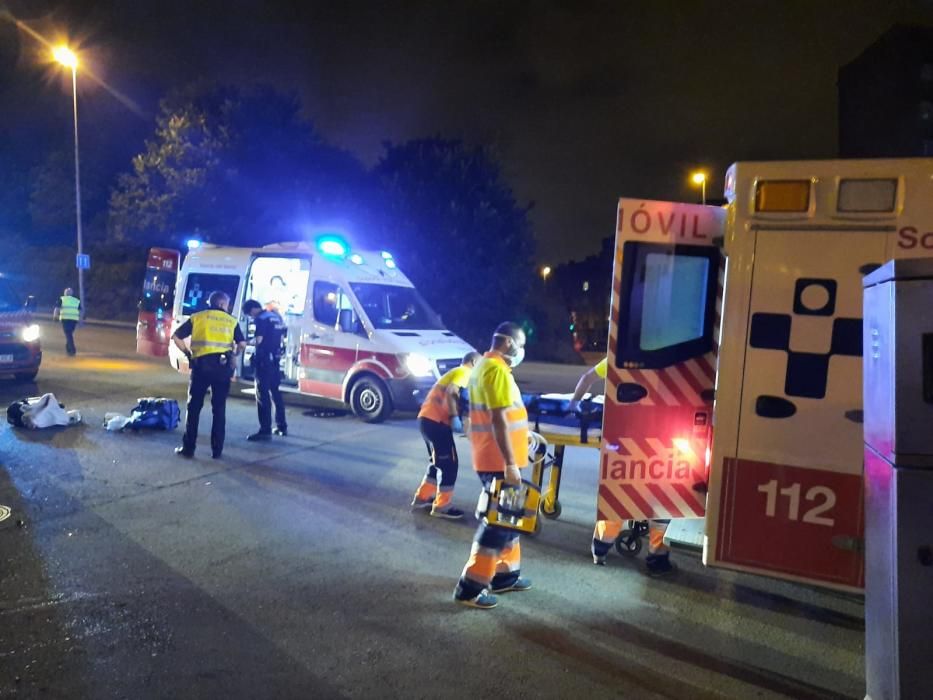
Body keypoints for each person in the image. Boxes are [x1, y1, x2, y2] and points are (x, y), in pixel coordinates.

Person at [453, 322, 533, 609]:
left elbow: (501, 416)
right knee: (498, 524)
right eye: (521, 345)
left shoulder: (484, 368)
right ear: (510, 343)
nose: (522, 351)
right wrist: (511, 464)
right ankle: (470, 588)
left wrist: (527, 435)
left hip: (494, 457)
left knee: (509, 518)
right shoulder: (496, 371)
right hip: (500, 462)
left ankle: (505, 576)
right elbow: (498, 419)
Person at [570, 358, 674, 576]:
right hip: (664, 437)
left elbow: (586, 377)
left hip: (624, 436)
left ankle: (601, 550)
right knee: (661, 499)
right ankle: (657, 558)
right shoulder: (675, 358)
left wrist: (573, 406)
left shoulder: (620, 355)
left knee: (618, 495)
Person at [172, 291, 246, 459]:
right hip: (222, 368)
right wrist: (234, 355)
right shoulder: (231, 321)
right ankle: (217, 451)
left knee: (194, 408)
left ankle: (189, 448)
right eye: (227, 304)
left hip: (201, 367)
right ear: (221, 304)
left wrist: (188, 353)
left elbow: (176, 337)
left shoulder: (197, 317)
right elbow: (241, 343)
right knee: (219, 409)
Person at [410, 350, 481, 519]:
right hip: (437, 422)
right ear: (472, 362)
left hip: (427, 421)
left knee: (438, 462)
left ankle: (423, 497)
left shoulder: (455, 373)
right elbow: (452, 392)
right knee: (450, 464)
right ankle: (442, 506)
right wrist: (454, 417)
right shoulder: (464, 372)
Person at [242, 299, 288, 441]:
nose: (252, 317)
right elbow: (282, 336)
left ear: (253, 309)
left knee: (262, 395)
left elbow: (259, 340)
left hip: (264, 361)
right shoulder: (275, 316)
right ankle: (282, 426)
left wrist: (245, 343)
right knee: (275, 392)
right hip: (275, 359)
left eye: (250, 314)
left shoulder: (261, 319)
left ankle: (265, 430)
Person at [52, 287, 81, 356]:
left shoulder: (62, 299)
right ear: (72, 293)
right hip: (74, 320)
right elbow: (80, 310)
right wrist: (81, 319)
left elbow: (57, 308)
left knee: (68, 334)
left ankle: (72, 350)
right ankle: (68, 348)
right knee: (69, 334)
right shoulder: (76, 300)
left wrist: (55, 316)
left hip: (65, 319)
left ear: (65, 293)